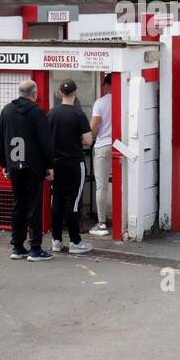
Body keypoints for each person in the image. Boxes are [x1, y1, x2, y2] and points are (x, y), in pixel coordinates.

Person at [0, 79, 54, 261]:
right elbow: (45, 141)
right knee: (34, 206)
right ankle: (35, 248)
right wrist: (48, 166)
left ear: (19, 92)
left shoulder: (7, 110)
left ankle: (17, 246)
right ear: (34, 94)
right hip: (33, 167)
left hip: (14, 166)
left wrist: (4, 164)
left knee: (18, 205)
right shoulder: (37, 112)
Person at [48, 80, 93, 254]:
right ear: (75, 93)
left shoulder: (51, 113)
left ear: (60, 93)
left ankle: (56, 240)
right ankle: (75, 241)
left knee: (57, 201)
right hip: (74, 163)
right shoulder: (78, 114)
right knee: (73, 202)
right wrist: (77, 138)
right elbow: (88, 140)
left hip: (56, 163)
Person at [89, 73, 113, 237]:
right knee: (123, 183)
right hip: (120, 146)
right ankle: (122, 218)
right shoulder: (125, 100)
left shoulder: (101, 103)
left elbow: (94, 127)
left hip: (103, 146)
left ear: (106, 85)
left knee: (101, 185)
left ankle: (102, 222)